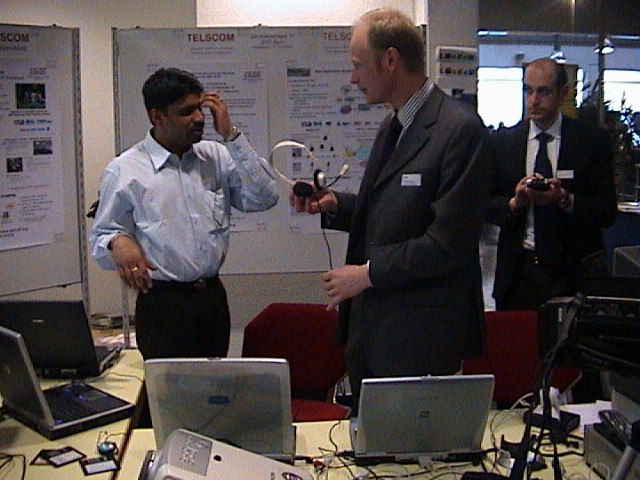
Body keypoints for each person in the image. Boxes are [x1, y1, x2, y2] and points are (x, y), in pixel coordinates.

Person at [290, 8, 494, 411]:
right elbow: (391, 212)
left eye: (357, 64)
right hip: (373, 330)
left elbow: (447, 244)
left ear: (390, 60)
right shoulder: (393, 125)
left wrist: (366, 274)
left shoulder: (460, 130)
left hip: (422, 338)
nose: (353, 78)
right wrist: (335, 205)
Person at [90, 67, 278, 360]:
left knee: (215, 386)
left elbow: (265, 197)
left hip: (211, 300)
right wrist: (117, 242)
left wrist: (231, 135)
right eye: (186, 111)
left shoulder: (216, 156)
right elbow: (101, 237)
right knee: (168, 389)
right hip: (162, 305)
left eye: (200, 108)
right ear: (157, 117)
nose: (200, 118)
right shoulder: (125, 170)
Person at [487, 58, 617, 312]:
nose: (534, 100)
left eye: (543, 91)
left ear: (563, 93)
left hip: (572, 276)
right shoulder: (504, 143)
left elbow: (606, 211)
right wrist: (515, 203)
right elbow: (484, 204)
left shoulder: (591, 142)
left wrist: (565, 199)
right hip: (519, 276)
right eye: (528, 90)